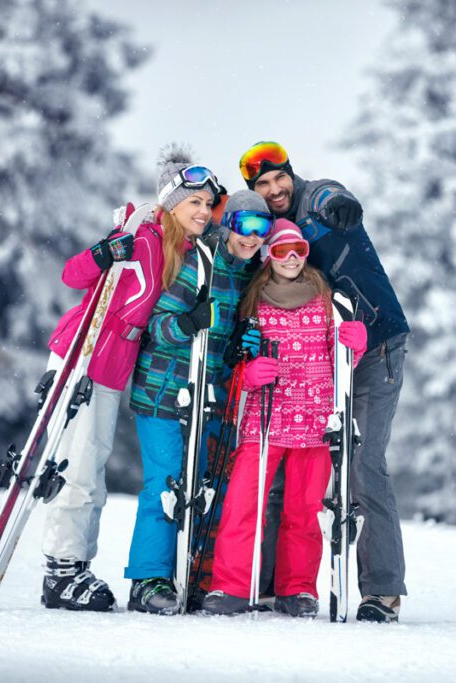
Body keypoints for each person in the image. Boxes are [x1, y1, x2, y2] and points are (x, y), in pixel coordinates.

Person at [237, 141, 410, 622]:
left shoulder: (316, 200)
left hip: (374, 349)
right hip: (315, 358)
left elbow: (331, 195)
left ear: (292, 175)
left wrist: (339, 204)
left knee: (362, 463)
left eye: (279, 179)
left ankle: (382, 591)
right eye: (262, 184)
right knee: (285, 465)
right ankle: (275, 584)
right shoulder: (272, 233)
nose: (274, 190)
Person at [124, 150, 272, 616]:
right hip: (162, 393)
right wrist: (190, 320)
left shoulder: (246, 273)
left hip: (205, 395)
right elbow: (158, 328)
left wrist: (236, 347)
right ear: (229, 224)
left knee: (204, 483)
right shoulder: (198, 263)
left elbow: (225, 338)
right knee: (166, 484)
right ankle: (148, 580)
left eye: (260, 229)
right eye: (243, 224)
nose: (251, 237)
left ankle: (192, 574)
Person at [202, 219, 367, 617]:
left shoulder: (325, 298)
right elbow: (238, 356)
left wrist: (355, 347)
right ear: (268, 256)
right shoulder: (254, 300)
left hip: (314, 419)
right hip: (265, 417)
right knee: (243, 503)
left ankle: (298, 589)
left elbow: (339, 358)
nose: (291, 259)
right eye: (280, 251)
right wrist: (249, 372)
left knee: (304, 510)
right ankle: (232, 585)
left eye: (298, 251)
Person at [39, 173, 170, 612]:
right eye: (195, 203)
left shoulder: (181, 248)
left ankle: (76, 565)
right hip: (84, 352)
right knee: (76, 466)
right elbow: (72, 274)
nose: (204, 212)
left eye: (208, 205)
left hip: (114, 367)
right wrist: (105, 251)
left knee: (93, 469)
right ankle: (61, 570)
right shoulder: (140, 234)